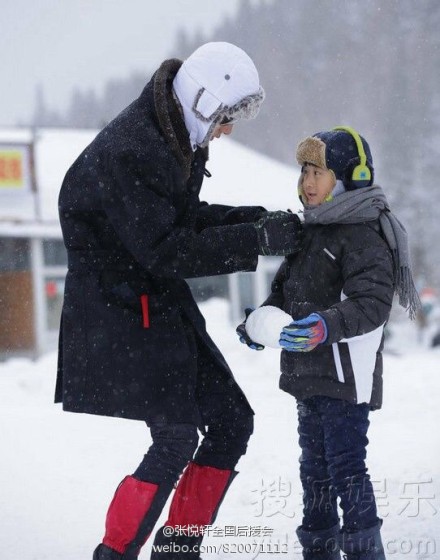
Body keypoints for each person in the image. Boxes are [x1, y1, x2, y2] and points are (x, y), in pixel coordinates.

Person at [55, 41, 303, 560]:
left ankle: (177, 549)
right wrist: (254, 240)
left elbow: (180, 220)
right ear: (202, 100)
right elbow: (167, 248)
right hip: (120, 313)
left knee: (233, 420)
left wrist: (253, 220)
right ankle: (115, 553)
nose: (229, 130)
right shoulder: (133, 150)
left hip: (157, 303)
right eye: (227, 117)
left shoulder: (177, 132)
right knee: (176, 437)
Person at [237, 126, 420, 560]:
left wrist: (325, 325)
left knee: (345, 469)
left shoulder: (363, 232)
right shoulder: (309, 232)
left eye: (318, 171)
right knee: (313, 472)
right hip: (308, 375)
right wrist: (259, 323)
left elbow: (372, 302)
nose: (308, 182)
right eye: (303, 171)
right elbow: (283, 293)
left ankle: (363, 552)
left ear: (349, 177)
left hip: (343, 374)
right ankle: (318, 551)